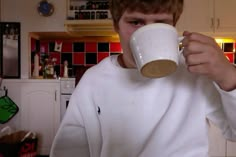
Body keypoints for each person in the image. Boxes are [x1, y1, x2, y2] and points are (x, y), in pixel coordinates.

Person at [50, 0, 236, 156]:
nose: (147, 33)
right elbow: (69, 149)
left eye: (160, 22)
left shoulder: (194, 71)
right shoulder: (94, 81)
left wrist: (228, 75)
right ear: (116, 25)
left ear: (173, 26)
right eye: (136, 22)